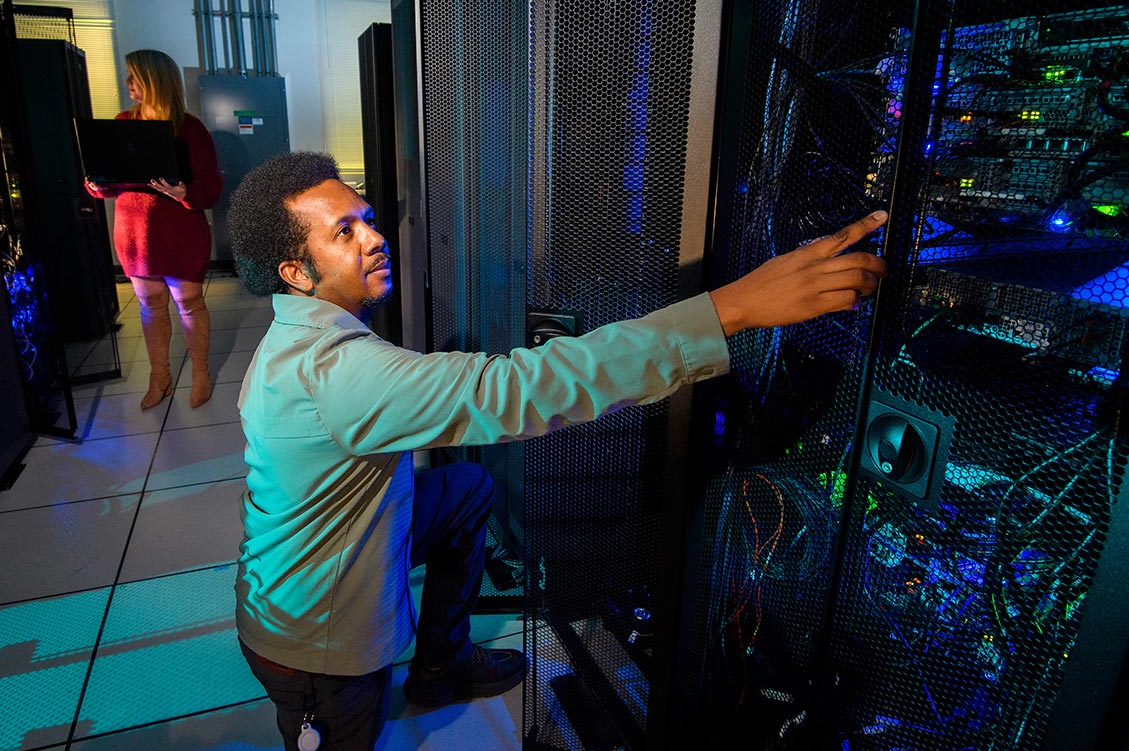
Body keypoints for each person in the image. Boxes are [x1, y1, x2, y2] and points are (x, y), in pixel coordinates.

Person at [226, 151, 887, 751]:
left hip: (331, 543)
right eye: (345, 232)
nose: (374, 237)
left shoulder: (299, 337)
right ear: (295, 271)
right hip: (312, 642)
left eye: (366, 218)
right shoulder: (337, 375)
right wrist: (731, 309)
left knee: (465, 492)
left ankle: (440, 666)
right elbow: (523, 387)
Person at [85, 49, 222, 409]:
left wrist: (184, 193)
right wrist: (97, 185)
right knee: (150, 307)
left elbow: (210, 188)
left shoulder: (189, 128)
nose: (128, 83)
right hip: (135, 234)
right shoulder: (122, 122)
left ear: (154, 80)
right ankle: (159, 376)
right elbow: (108, 179)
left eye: (134, 76)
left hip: (180, 234)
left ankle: (200, 373)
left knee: (189, 305)